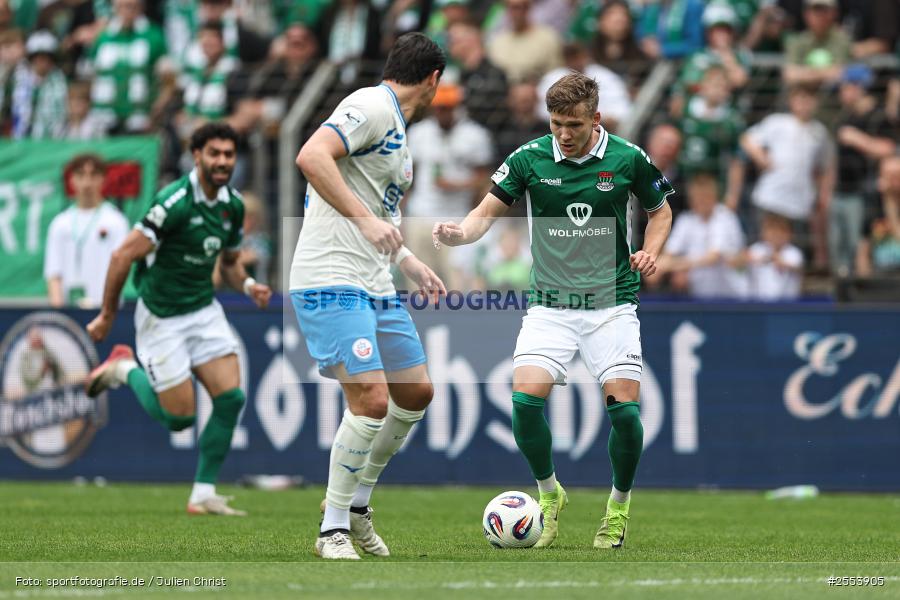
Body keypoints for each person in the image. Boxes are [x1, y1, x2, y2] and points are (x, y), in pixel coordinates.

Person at [433, 72, 674, 550]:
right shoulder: (529, 158)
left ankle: (618, 508)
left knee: (624, 413)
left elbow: (661, 211)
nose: (564, 134)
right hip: (551, 304)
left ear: (596, 119)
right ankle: (549, 494)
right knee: (524, 404)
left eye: (574, 124)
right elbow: (486, 211)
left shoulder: (628, 158)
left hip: (612, 304)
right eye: (557, 123)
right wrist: (461, 232)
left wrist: (651, 252)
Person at [291, 32, 447, 560]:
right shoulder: (371, 104)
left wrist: (408, 260)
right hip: (330, 275)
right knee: (372, 400)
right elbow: (311, 156)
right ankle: (331, 528)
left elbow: (380, 215)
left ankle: (356, 504)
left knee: (415, 392)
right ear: (433, 80)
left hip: (375, 282)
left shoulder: (399, 135)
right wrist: (364, 222)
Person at [83, 123, 272, 516]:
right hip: (163, 316)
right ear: (196, 155)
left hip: (203, 310)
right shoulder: (173, 203)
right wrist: (107, 315)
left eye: (228, 154)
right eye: (214, 153)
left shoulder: (232, 205)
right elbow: (122, 256)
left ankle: (203, 493)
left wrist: (249, 284)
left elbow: (231, 264)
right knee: (178, 420)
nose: (222, 161)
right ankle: (123, 369)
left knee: (230, 398)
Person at [740, 85, 834, 260]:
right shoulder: (777, 122)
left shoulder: (820, 132)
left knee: (792, 255)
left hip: (799, 203)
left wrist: (823, 193)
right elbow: (747, 139)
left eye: (809, 99)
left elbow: (827, 165)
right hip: (770, 197)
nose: (804, 104)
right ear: (791, 101)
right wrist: (761, 158)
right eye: (800, 99)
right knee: (761, 251)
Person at [831, 64, 897, 277]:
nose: (841, 93)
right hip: (843, 191)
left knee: (865, 244)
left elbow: (888, 149)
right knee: (845, 252)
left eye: (844, 87)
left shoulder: (879, 116)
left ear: (858, 88)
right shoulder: (846, 117)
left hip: (870, 194)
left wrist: (857, 139)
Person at [45, 154, 129, 308]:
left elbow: (120, 271)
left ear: (103, 179)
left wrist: (107, 313)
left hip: (105, 311)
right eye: (81, 175)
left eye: (93, 175)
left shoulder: (116, 221)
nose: (87, 182)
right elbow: (53, 273)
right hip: (69, 312)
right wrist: (59, 313)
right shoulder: (59, 223)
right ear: (71, 179)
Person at [657, 173, 746, 299]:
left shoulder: (725, 217)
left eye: (706, 197)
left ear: (714, 197)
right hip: (700, 298)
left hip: (732, 298)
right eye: (698, 197)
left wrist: (674, 265)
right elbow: (668, 255)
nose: (702, 201)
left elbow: (712, 258)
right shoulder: (685, 220)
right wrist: (669, 269)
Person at [487, 0, 562, 83]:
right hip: (503, 90)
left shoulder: (547, 38)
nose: (514, 13)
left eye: (518, 8)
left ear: (528, 9)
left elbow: (555, 74)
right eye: (510, 8)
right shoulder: (498, 41)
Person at [744, 213, 804, 301]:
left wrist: (777, 260)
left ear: (789, 234)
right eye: (772, 231)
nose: (776, 235)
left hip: (787, 306)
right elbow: (736, 264)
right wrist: (744, 259)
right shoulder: (756, 249)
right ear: (763, 233)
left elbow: (798, 268)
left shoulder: (794, 253)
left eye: (781, 231)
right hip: (758, 306)